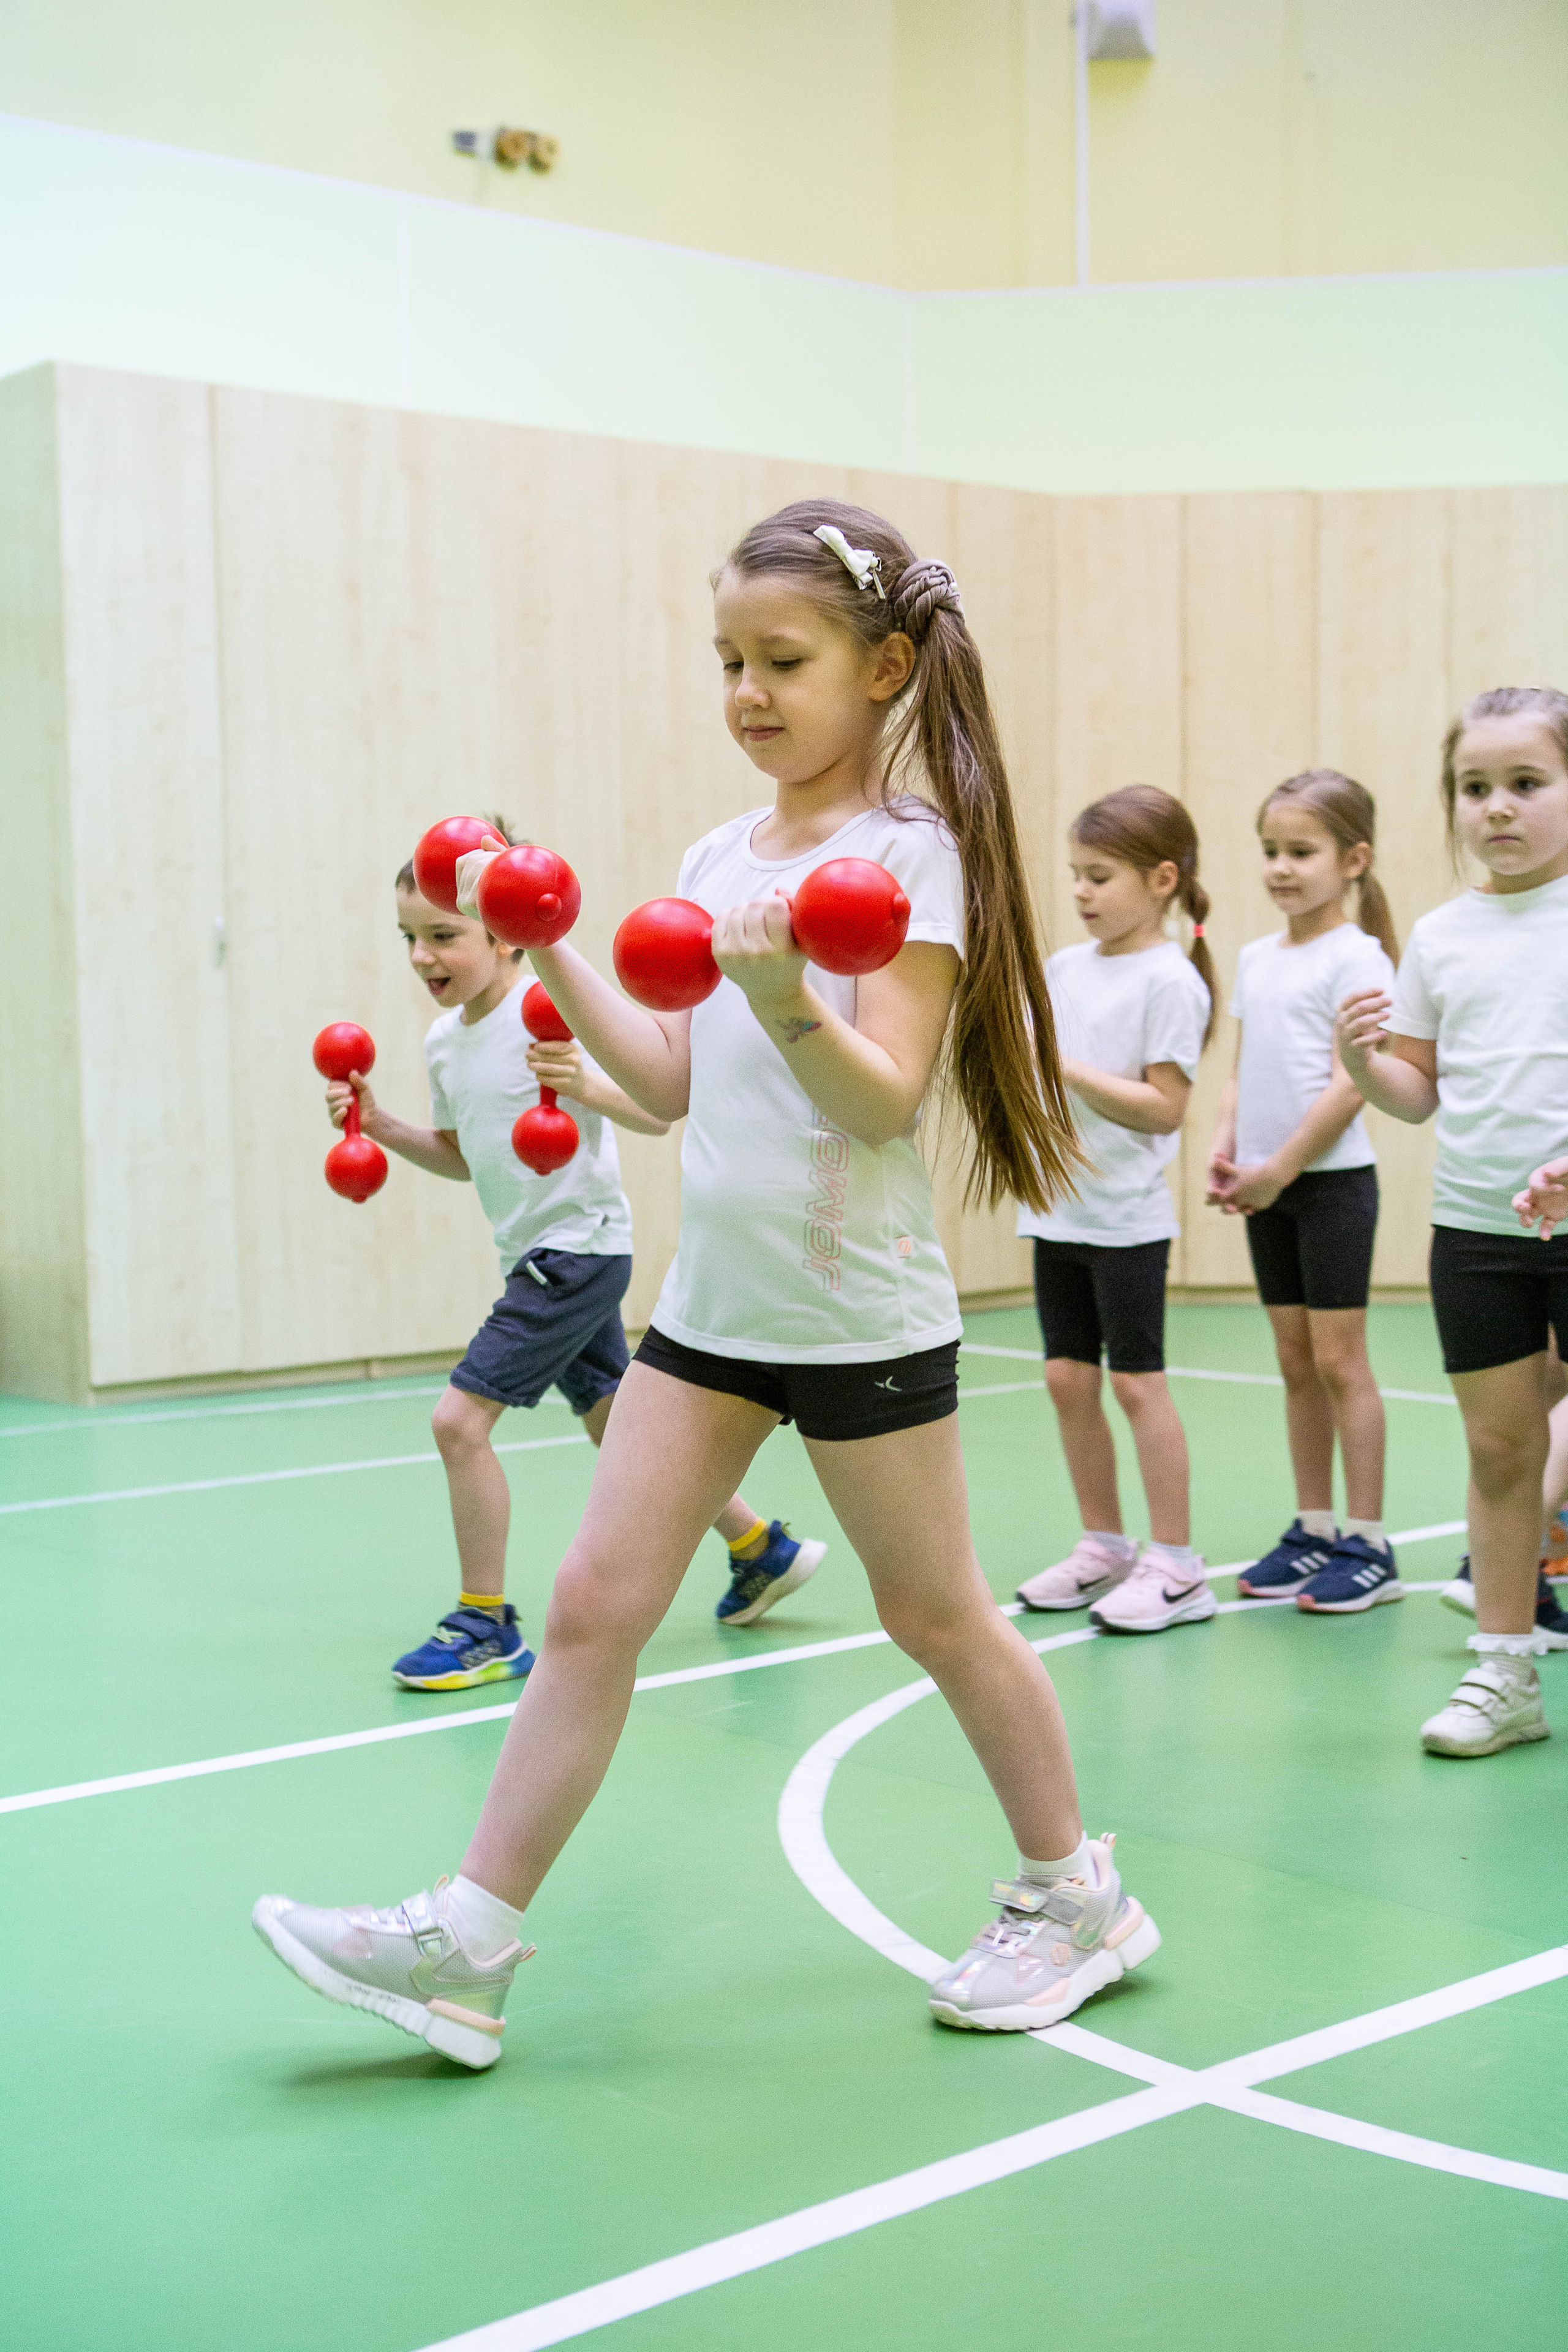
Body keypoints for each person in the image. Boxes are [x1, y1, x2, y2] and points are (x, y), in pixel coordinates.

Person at [255, 499, 1160, 2068]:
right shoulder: (719, 857)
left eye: (781, 658)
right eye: (726, 658)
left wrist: (783, 995)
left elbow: (883, 1097)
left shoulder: (909, 860)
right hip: (710, 1316)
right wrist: (548, 955)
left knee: (935, 1614)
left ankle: (1073, 1894)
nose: (745, 689)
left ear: (884, 667)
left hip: (857, 1318)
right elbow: (668, 1089)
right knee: (596, 1602)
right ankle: (465, 1948)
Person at [328, 842, 825, 1691]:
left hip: (578, 1251)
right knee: (611, 1420)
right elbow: (459, 1156)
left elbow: (659, 1112)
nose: (423, 956)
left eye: (443, 935)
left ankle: (485, 1621)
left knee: (459, 1424)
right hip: (533, 1249)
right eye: (409, 936)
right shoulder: (446, 1042)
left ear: (508, 935)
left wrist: (586, 1085)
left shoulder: (548, 1004)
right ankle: (759, 1546)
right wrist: (381, 1127)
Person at [1336, 685, 1568, 1756]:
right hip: (1478, 1231)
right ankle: (1504, 1676)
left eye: (1528, 783)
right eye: (1475, 788)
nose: (1498, 808)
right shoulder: (1439, 937)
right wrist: (1364, 1066)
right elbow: (1420, 1092)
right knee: (1499, 1449)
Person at [1014, 786, 1215, 1634]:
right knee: (1067, 1378)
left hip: (1126, 1218)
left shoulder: (1172, 980)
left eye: (1100, 876)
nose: (1083, 892)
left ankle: (1177, 1565)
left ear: (1162, 879)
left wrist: (1063, 1071)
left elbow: (1165, 1107)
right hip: (1057, 1212)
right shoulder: (1064, 969)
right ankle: (1104, 1544)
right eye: (1077, 876)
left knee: (1137, 1384)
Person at [1206, 771, 1401, 1613]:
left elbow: (1350, 1086)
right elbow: (1242, 1072)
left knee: (1338, 1362)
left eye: (1302, 852)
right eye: (1271, 852)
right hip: (1268, 1186)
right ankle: (1313, 1526)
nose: (1282, 868)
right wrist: (1228, 1147)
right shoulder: (1256, 958)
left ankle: (1368, 1542)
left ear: (1353, 859)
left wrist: (1279, 1167)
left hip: (1330, 1189)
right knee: (1293, 1362)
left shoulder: (1359, 957)